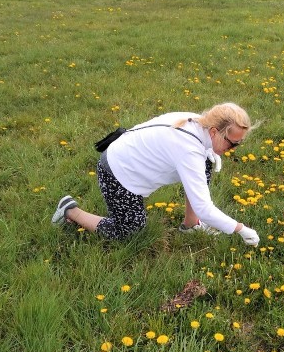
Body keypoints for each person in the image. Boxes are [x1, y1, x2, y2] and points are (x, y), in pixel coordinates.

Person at [52, 102, 260, 247]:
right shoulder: (189, 149)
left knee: (206, 161)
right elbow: (205, 208)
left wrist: (210, 152)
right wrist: (240, 229)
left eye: (238, 144)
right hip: (116, 173)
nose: (233, 149)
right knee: (129, 231)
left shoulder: (199, 122)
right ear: (214, 132)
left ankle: (190, 224)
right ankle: (70, 211)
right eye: (231, 143)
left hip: (126, 158)